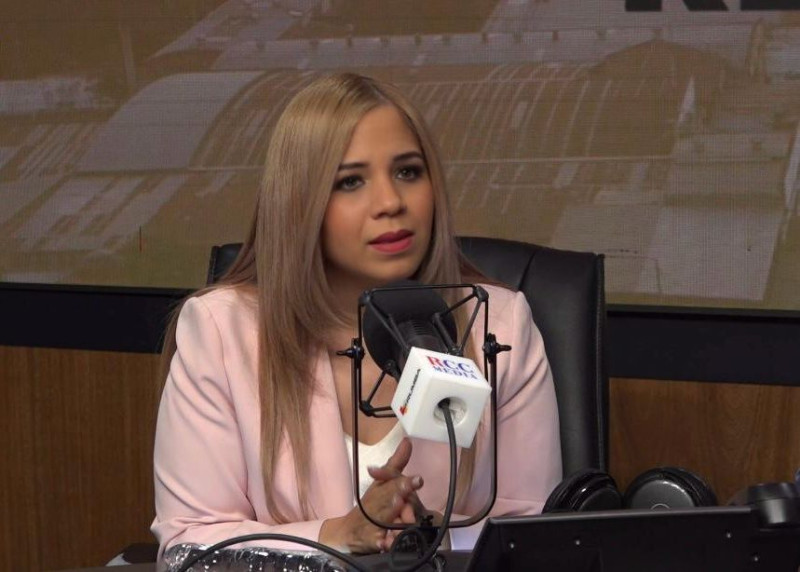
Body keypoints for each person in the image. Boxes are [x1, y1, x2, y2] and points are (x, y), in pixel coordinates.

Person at [151, 73, 562, 564]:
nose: (391, 203)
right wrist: (340, 534)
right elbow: (191, 547)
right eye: (350, 181)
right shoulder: (221, 332)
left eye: (408, 172)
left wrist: (426, 537)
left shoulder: (499, 324)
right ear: (299, 203)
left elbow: (536, 535)